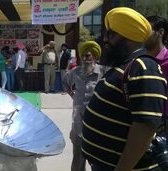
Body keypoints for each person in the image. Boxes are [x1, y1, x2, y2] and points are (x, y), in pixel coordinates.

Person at [82, 7, 167, 171]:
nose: (105, 39)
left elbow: (146, 125)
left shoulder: (143, 67)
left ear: (130, 38)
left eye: (111, 34)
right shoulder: (126, 65)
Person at [63, 41, 101, 171]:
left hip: (97, 123)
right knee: (78, 158)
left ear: (95, 56)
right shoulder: (75, 72)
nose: (85, 58)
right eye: (83, 56)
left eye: (88, 56)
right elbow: (65, 82)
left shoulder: (103, 72)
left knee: (97, 160)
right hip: (78, 121)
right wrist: (73, 96)